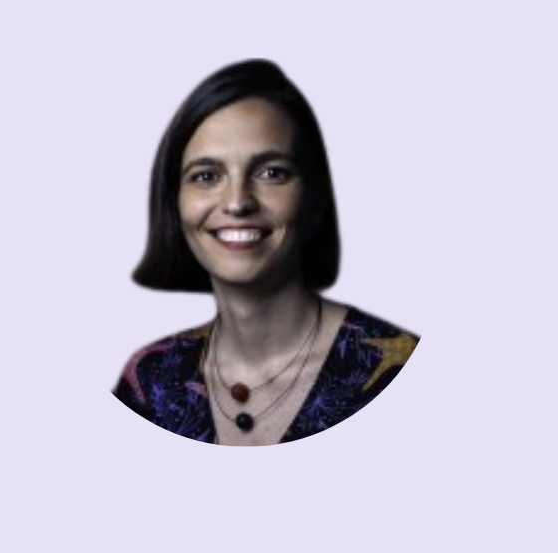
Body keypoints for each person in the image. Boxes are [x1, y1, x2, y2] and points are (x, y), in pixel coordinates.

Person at [112, 59, 419, 446]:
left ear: (313, 196)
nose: (237, 202)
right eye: (206, 176)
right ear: (174, 202)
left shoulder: (400, 370)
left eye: (271, 172)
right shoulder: (151, 380)